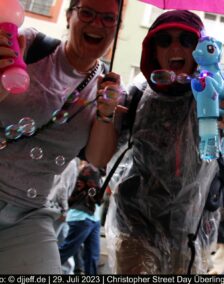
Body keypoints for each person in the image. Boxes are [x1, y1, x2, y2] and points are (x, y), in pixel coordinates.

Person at [105, 9, 224, 274]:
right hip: (135, 226)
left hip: (192, 230)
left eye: (186, 40)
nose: (175, 47)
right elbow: (103, 150)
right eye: (164, 40)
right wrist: (104, 111)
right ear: (152, 50)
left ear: (200, 48)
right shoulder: (137, 96)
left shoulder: (213, 93)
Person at [0, 0, 122, 273]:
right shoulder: (29, 45)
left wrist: (105, 114)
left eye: (108, 19)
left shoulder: (107, 89)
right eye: (87, 13)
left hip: (29, 214)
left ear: (116, 28)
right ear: (69, 17)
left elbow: (96, 157)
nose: (96, 23)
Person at [59, 163, 103, 275]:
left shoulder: (97, 170)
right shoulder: (90, 169)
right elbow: (97, 194)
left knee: (93, 255)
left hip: (94, 218)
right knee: (67, 250)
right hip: (81, 217)